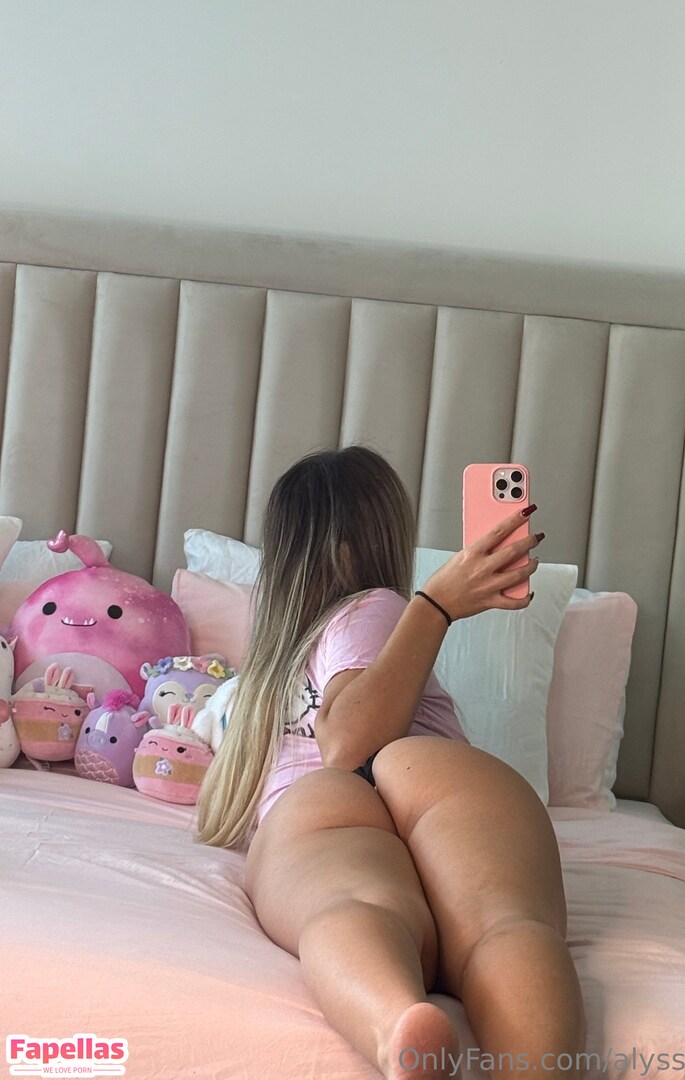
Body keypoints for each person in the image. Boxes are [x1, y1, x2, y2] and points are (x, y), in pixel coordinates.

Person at [195, 445, 587, 1080]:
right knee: (503, 924)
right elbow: (352, 740)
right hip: (432, 776)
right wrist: (431, 606)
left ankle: (396, 1022)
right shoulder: (374, 607)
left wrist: (432, 607)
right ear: (382, 535)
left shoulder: (282, 664)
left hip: (327, 803)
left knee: (352, 909)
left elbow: (346, 748)